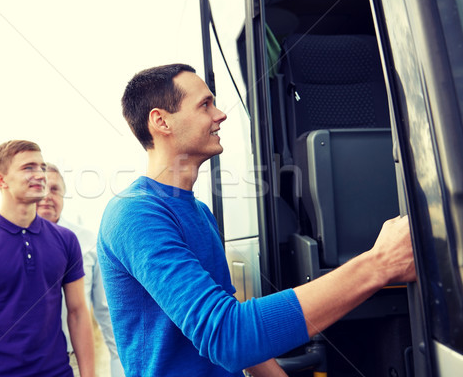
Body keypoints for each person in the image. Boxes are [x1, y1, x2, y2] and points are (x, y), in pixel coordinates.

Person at [97, 64, 416, 377]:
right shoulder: (135, 214)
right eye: (205, 105)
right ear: (161, 121)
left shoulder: (200, 213)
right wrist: (380, 264)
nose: (219, 114)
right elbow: (227, 336)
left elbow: (240, 344)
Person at [0, 140, 95, 377]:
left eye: (42, 167)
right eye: (28, 168)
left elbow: (77, 313)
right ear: (0, 180)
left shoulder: (66, 240)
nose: (40, 175)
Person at [37, 162, 125, 377]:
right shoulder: (8, 241)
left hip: (72, 363)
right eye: (42, 189)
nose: (47, 196)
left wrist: (118, 366)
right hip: (23, 362)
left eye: (55, 189)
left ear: (64, 196)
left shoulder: (87, 241)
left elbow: (105, 310)